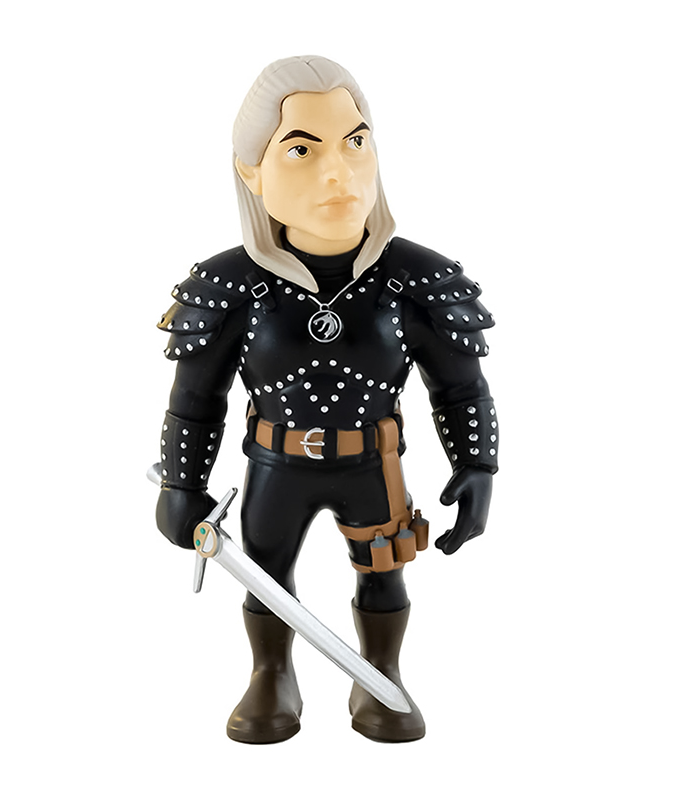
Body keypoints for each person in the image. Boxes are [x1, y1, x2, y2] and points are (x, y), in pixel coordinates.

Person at [155, 56, 498, 743]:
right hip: (275, 467)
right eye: (302, 149)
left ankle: (381, 672)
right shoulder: (229, 288)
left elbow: (461, 389)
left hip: (374, 465)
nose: (338, 171)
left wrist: (477, 463)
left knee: (384, 570)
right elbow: (195, 399)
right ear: (252, 170)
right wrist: (181, 483)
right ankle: (270, 674)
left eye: (355, 141)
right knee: (266, 572)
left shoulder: (416, 281)